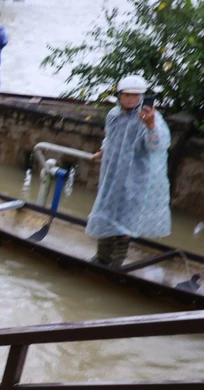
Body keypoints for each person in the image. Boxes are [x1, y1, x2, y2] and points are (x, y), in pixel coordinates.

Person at [85, 74, 171, 267]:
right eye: (127, 95)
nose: (131, 99)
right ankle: (101, 258)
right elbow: (111, 137)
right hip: (112, 174)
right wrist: (103, 151)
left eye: (136, 95)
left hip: (135, 177)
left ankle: (116, 262)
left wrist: (150, 125)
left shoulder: (150, 118)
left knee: (126, 220)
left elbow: (157, 146)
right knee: (106, 212)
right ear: (120, 95)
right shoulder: (114, 115)